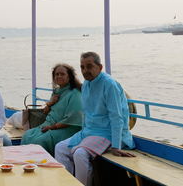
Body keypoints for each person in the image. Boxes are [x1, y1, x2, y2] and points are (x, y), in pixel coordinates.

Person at [55, 52, 136, 186]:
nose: (85, 71)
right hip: (90, 132)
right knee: (60, 148)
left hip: (108, 133)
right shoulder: (87, 84)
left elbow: (117, 117)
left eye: (89, 66)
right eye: (82, 67)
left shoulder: (109, 84)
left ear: (100, 67)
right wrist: (84, 134)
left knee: (80, 153)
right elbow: (87, 114)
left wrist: (116, 146)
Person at [21, 63, 83, 156]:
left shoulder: (74, 94)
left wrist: (52, 127)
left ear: (69, 77)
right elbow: (46, 112)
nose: (59, 76)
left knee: (40, 141)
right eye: (56, 74)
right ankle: (27, 164)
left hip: (68, 129)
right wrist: (50, 103)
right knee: (27, 135)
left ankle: (42, 165)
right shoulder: (56, 92)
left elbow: (71, 119)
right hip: (49, 124)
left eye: (62, 74)